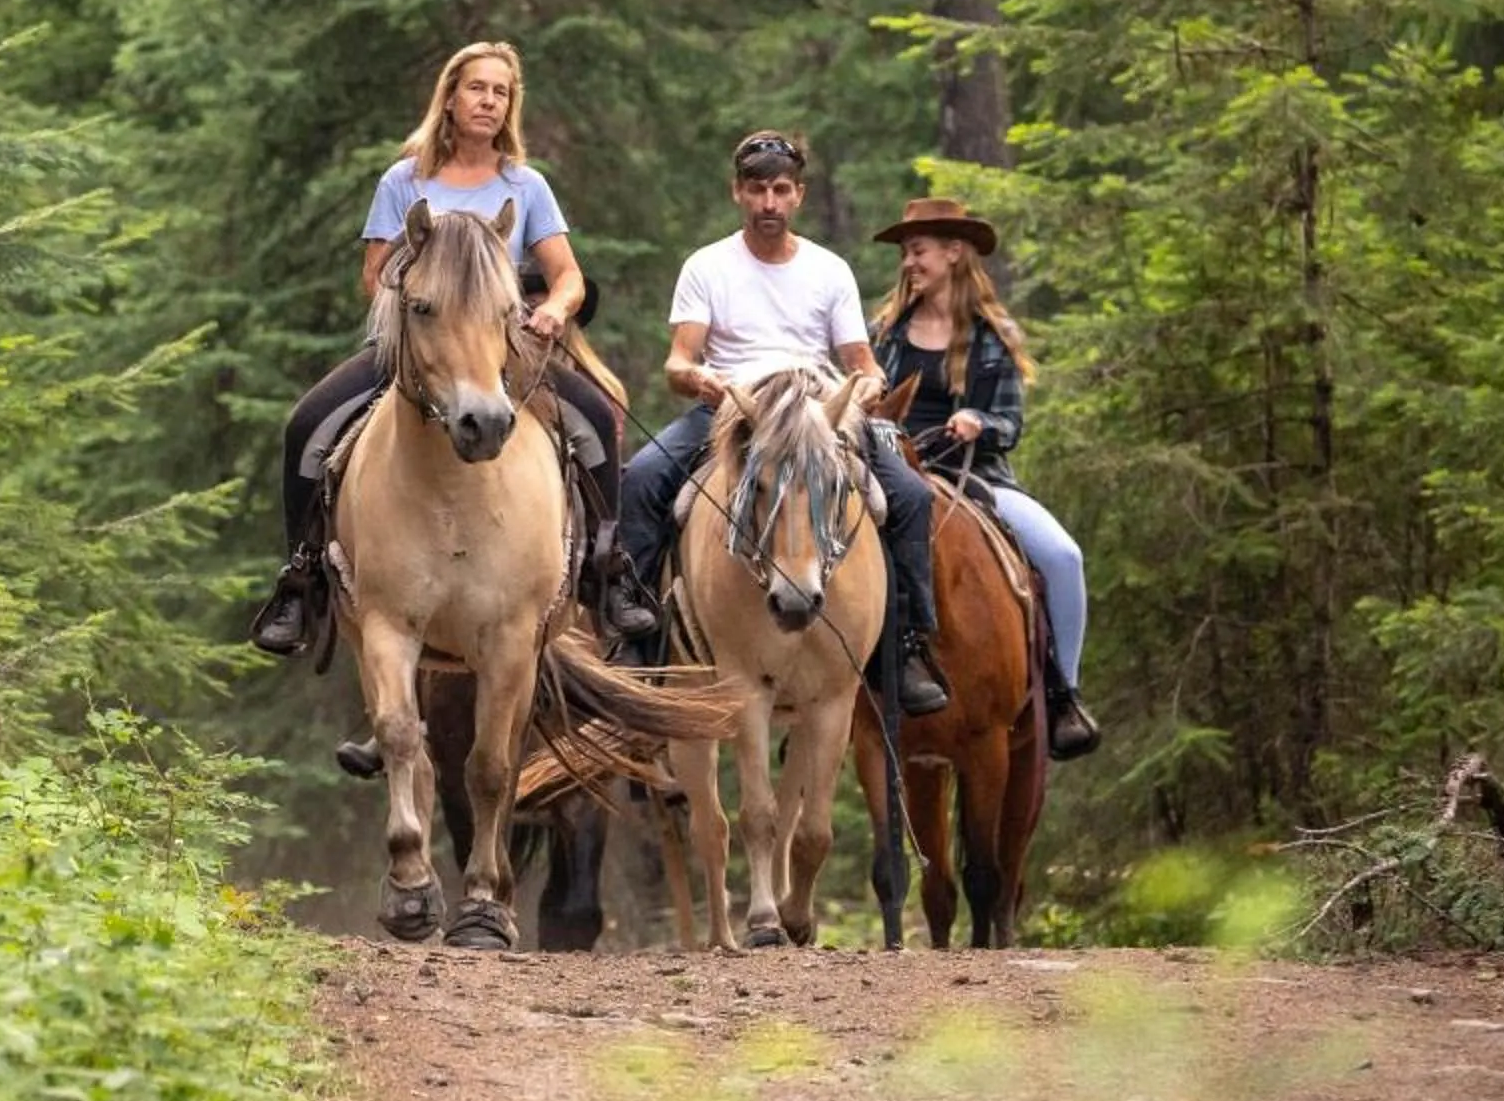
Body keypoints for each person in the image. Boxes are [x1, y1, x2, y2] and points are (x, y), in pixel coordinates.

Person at [249, 40, 656, 657]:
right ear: (450, 96)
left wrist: (551, 308)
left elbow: (568, 274)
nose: (488, 101)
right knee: (307, 422)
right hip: (417, 345)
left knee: (595, 416)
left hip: (504, 346)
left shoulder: (525, 185)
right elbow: (375, 273)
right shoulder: (404, 180)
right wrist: (418, 311)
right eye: (477, 88)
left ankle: (608, 569)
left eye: (501, 92)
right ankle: (301, 578)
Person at [619, 130, 950, 715]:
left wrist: (867, 386)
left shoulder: (828, 270)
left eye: (779, 190)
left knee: (909, 496)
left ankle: (905, 647)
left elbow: (861, 361)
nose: (767, 203)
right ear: (737, 193)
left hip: (817, 414)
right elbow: (679, 357)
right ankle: (638, 641)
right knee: (644, 478)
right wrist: (697, 378)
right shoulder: (707, 266)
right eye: (755, 190)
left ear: (797, 195)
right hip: (735, 410)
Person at [868, 195, 1101, 760]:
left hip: (979, 477)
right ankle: (824, 696)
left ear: (953, 252)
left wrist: (979, 420)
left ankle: (1061, 692)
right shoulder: (885, 333)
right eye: (905, 252)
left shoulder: (993, 336)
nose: (909, 263)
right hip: (895, 473)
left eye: (918, 250)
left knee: (1062, 556)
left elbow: (1010, 424)